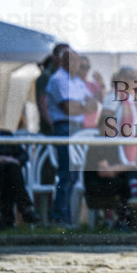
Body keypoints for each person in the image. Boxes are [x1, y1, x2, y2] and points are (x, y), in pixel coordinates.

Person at [46, 47, 99, 225]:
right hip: (64, 127)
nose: (77, 65)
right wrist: (82, 106)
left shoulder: (77, 81)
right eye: (73, 61)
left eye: (78, 61)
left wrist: (79, 106)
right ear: (63, 61)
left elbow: (93, 105)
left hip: (78, 128)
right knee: (66, 173)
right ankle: (60, 217)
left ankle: (71, 218)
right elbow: (67, 108)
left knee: (76, 175)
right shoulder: (58, 79)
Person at [85, 107, 137, 229]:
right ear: (100, 128)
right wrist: (127, 167)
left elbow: (115, 168)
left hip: (111, 180)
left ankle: (133, 209)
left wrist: (122, 168)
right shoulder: (97, 144)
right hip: (97, 183)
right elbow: (104, 172)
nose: (112, 130)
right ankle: (131, 207)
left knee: (132, 173)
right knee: (129, 174)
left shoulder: (113, 144)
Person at [35, 43, 69, 136]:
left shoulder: (67, 76)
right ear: (55, 57)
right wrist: (54, 127)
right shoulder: (46, 76)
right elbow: (43, 105)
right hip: (52, 132)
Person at [78, 55, 105, 129]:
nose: (85, 70)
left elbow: (103, 100)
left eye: (87, 67)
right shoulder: (72, 84)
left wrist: (101, 83)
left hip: (92, 125)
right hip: (78, 125)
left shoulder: (93, 85)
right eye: (82, 67)